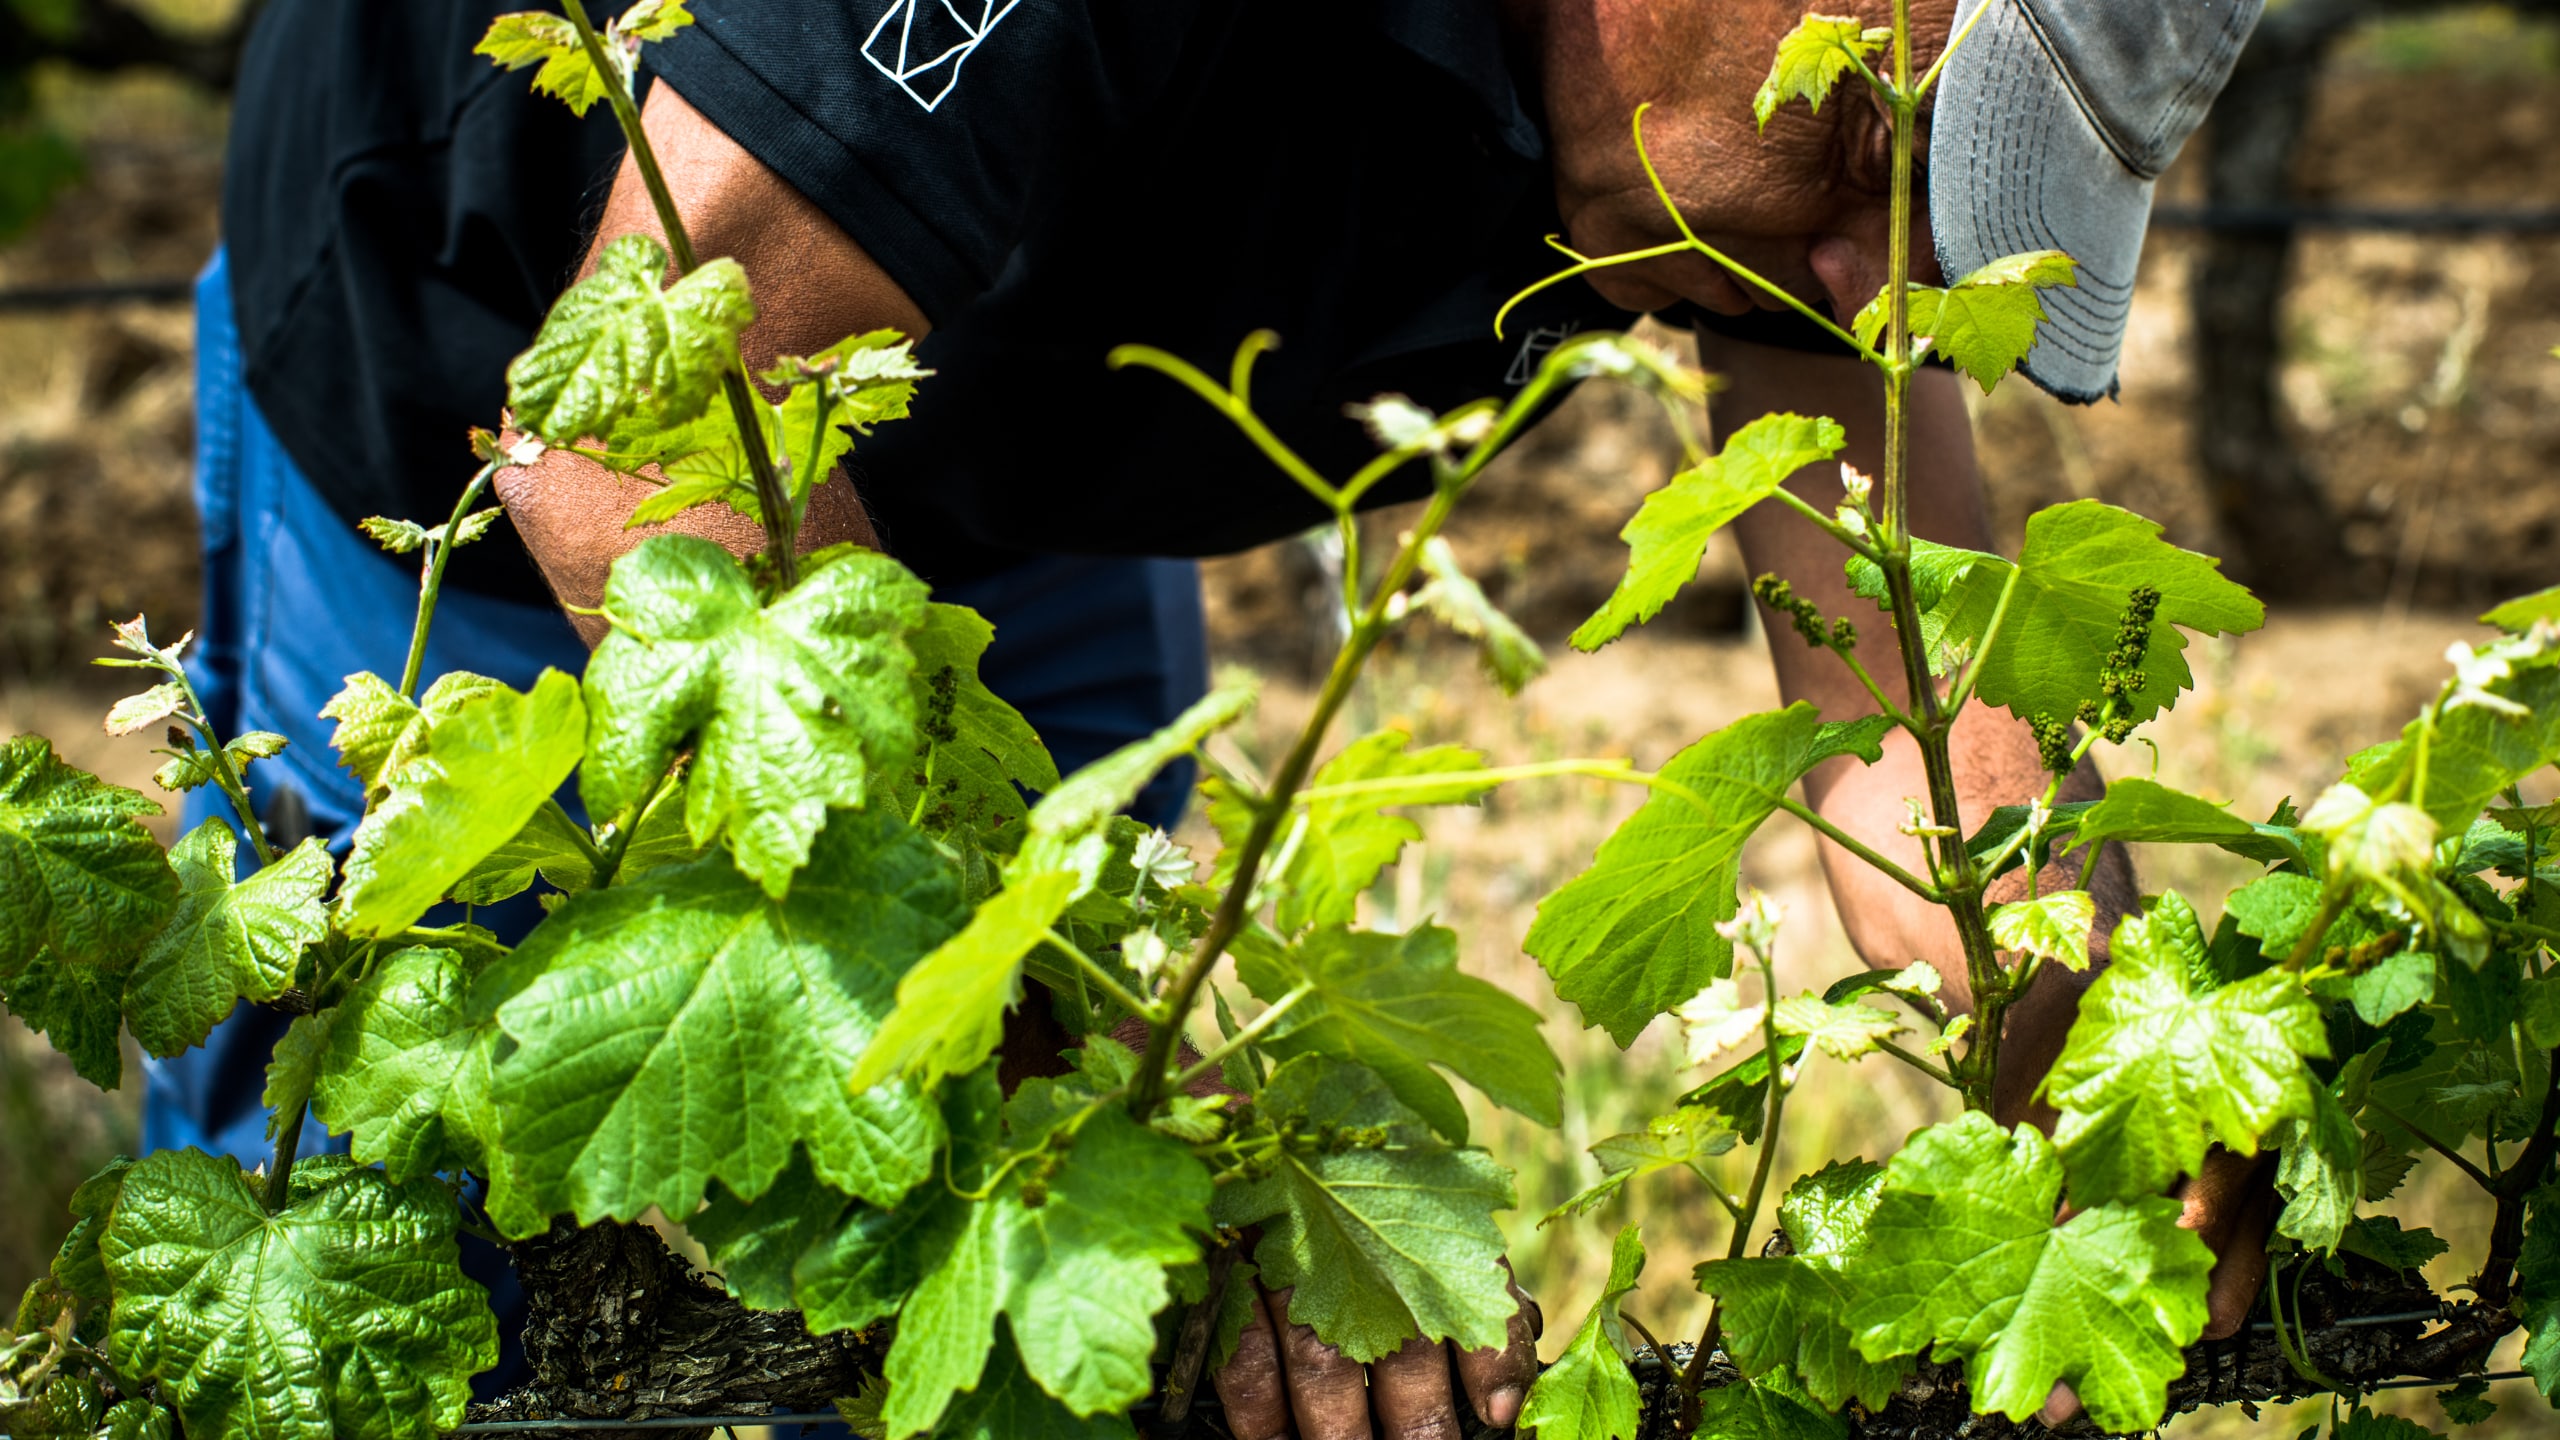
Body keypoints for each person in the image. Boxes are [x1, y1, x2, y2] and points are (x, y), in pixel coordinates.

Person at [160, 0, 2271, 1436]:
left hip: (1002, 416)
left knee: (1037, 1328)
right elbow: (628, 445)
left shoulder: (1747, 183)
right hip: (501, 415)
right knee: (409, 1255)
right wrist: (1160, 1146)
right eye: (1868, 143)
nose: (1870, 272)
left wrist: (2073, 1002)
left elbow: (1879, 590)